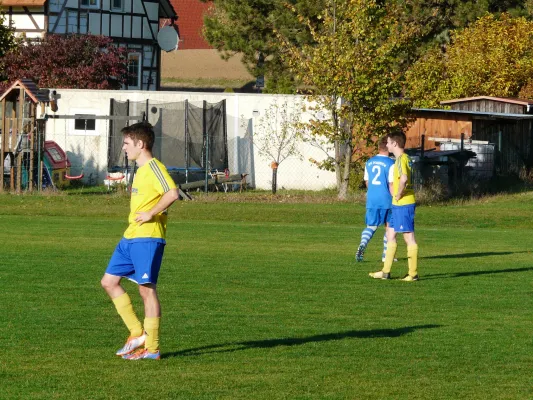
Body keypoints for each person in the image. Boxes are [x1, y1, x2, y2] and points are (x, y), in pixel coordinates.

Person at [101, 121, 179, 360]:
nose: (124, 148)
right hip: (131, 236)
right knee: (108, 282)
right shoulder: (140, 170)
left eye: (126, 143)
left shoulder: (155, 167)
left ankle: (152, 348)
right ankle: (137, 332)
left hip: (148, 237)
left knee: (146, 290)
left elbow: (172, 193)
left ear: (140, 144)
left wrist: (151, 213)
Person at [369, 130, 419, 281]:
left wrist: (398, 194)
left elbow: (403, 178)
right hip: (397, 205)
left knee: (409, 237)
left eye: (389, 142)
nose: (387, 145)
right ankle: (385, 272)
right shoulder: (407, 158)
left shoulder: (400, 160)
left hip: (403, 204)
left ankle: (413, 274)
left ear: (395, 144)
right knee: (390, 235)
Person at [355, 136, 394, 262]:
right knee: (389, 227)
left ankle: (363, 244)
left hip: (372, 198)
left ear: (378, 147)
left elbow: (367, 182)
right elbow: (391, 184)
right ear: (388, 147)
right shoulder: (391, 163)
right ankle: (386, 256)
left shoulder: (369, 162)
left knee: (371, 226)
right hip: (386, 199)